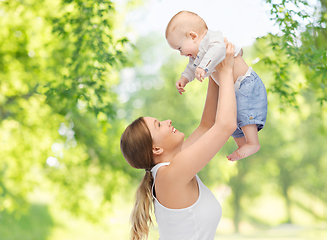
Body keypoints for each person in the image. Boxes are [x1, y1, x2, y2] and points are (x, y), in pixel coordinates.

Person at [120, 42, 236, 240]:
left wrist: (213, 64)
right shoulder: (169, 175)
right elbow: (225, 126)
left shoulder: (172, 167)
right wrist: (226, 71)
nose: (168, 121)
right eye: (158, 125)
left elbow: (207, 126)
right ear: (156, 149)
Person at [165, 10, 268, 161]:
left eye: (179, 48)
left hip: (246, 83)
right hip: (234, 89)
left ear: (193, 36)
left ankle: (253, 143)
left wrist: (204, 67)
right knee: (232, 117)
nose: (181, 53)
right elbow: (191, 68)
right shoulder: (196, 55)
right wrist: (184, 78)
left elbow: (218, 50)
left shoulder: (212, 40)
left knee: (245, 113)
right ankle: (242, 145)